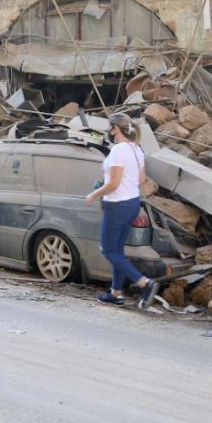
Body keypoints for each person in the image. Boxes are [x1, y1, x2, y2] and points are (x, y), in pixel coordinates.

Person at [85, 113, 159, 307]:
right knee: (117, 250)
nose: (108, 131)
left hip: (117, 205)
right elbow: (141, 179)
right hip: (132, 203)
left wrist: (94, 194)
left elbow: (115, 184)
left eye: (110, 127)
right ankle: (116, 293)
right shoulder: (136, 149)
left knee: (108, 250)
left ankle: (145, 283)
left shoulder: (118, 150)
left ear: (115, 129)